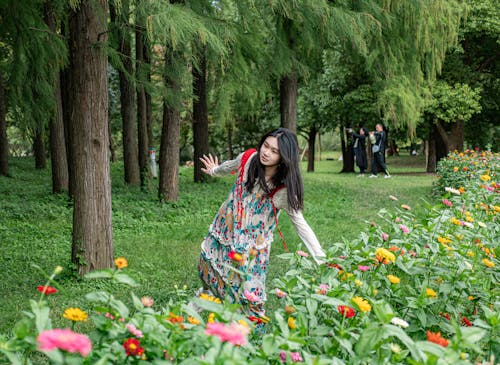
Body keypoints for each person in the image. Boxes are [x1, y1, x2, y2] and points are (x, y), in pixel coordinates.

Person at [197, 127, 326, 324]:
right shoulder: (249, 158)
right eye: (266, 146)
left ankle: (248, 340)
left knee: (251, 300)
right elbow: (230, 166)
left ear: (284, 157)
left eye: (275, 151)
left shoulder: (283, 189)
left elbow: (301, 224)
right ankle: (201, 302)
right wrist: (214, 170)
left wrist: (321, 258)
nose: (266, 153)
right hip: (225, 232)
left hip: (251, 250)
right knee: (213, 274)